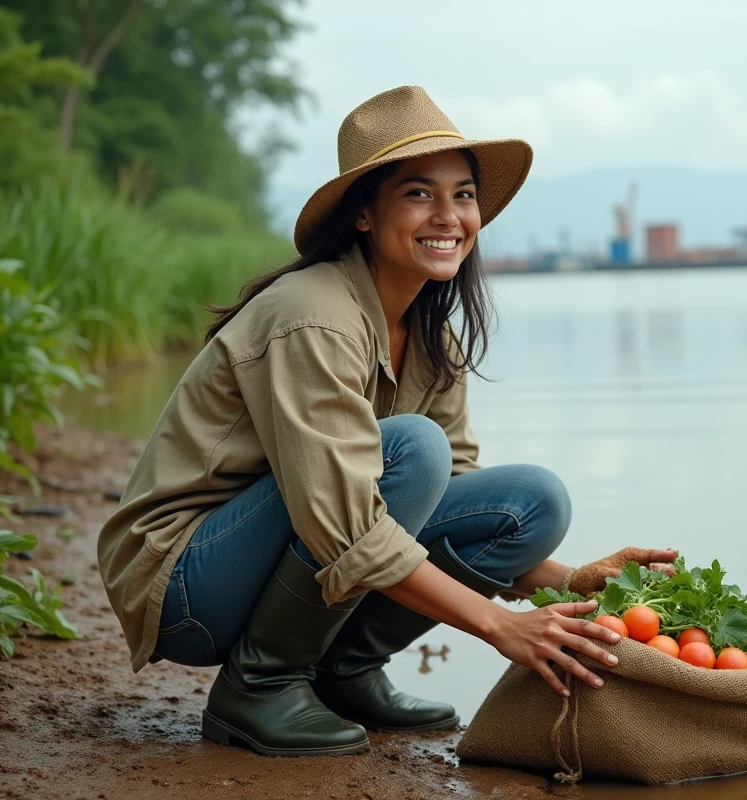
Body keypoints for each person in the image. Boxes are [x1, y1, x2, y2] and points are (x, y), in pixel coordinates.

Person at [96, 86, 675, 757]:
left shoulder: (434, 338)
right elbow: (344, 521)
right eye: (418, 193)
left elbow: (451, 511)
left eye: (463, 194)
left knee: (530, 503)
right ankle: (259, 686)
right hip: (185, 583)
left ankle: (343, 671)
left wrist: (571, 581)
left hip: (285, 557)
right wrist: (498, 627)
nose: (449, 215)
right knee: (411, 451)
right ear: (365, 213)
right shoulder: (312, 315)